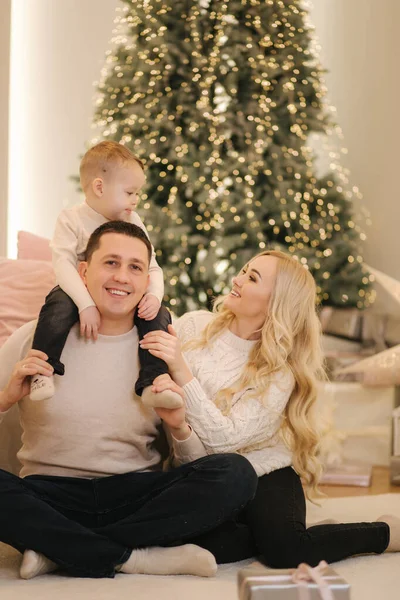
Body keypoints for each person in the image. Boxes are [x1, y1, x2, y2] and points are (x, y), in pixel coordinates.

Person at [0, 221, 258, 579]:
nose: (122, 277)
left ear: (147, 280)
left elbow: (188, 466)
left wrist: (179, 427)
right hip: (51, 496)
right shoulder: (35, 337)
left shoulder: (162, 348)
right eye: (111, 263)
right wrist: (5, 398)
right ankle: (132, 557)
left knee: (235, 474)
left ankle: (58, 549)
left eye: (135, 267)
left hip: (134, 496)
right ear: (83, 271)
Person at [140, 249, 400, 567]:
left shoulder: (279, 371)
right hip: (209, 474)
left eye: (252, 278)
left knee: (286, 551)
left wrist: (181, 370)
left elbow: (224, 441)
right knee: (205, 545)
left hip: (265, 469)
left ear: (275, 301)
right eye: (243, 271)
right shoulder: (193, 327)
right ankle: (283, 533)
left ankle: (384, 533)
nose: (236, 280)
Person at [30, 141, 182, 411]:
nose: (135, 200)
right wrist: (84, 303)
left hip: (117, 297)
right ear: (99, 187)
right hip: (75, 287)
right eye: (130, 192)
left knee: (158, 315)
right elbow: (63, 265)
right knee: (57, 307)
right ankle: (43, 370)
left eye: (137, 193)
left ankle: (153, 379)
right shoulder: (72, 219)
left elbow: (153, 265)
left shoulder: (133, 221)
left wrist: (154, 295)